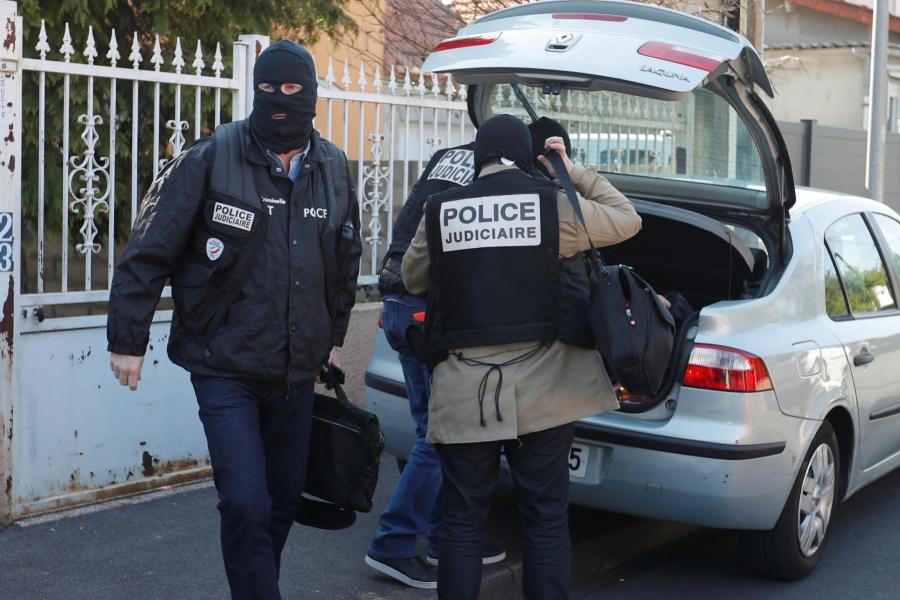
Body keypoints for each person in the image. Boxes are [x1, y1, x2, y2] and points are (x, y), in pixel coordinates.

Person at [106, 40, 362, 600]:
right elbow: (150, 249)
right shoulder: (213, 157)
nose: (282, 100)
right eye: (271, 88)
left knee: (283, 500)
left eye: (294, 90)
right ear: (256, 90)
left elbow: (345, 262)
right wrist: (129, 339)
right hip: (225, 364)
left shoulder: (335, 168)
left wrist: (333, 338)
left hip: (297, 370)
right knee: (245, 500)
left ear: (312, 94)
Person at [401, 114, 642, 600]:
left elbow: (412, 279)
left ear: (477, 157)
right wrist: (571, 173)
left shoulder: (441, 208)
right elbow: (627, 219)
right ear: (530, 158)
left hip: (465, 392)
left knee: (462, 522)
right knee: (546, 519)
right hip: (546, 392)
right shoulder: (553, 207)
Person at [366, 141, 506, 589]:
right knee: (439, 435)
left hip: (399, 301)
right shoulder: (497, 176)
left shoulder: (449, 155)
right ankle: (393, 543)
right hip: (427, 309)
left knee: (437, 430)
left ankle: (447, 538)